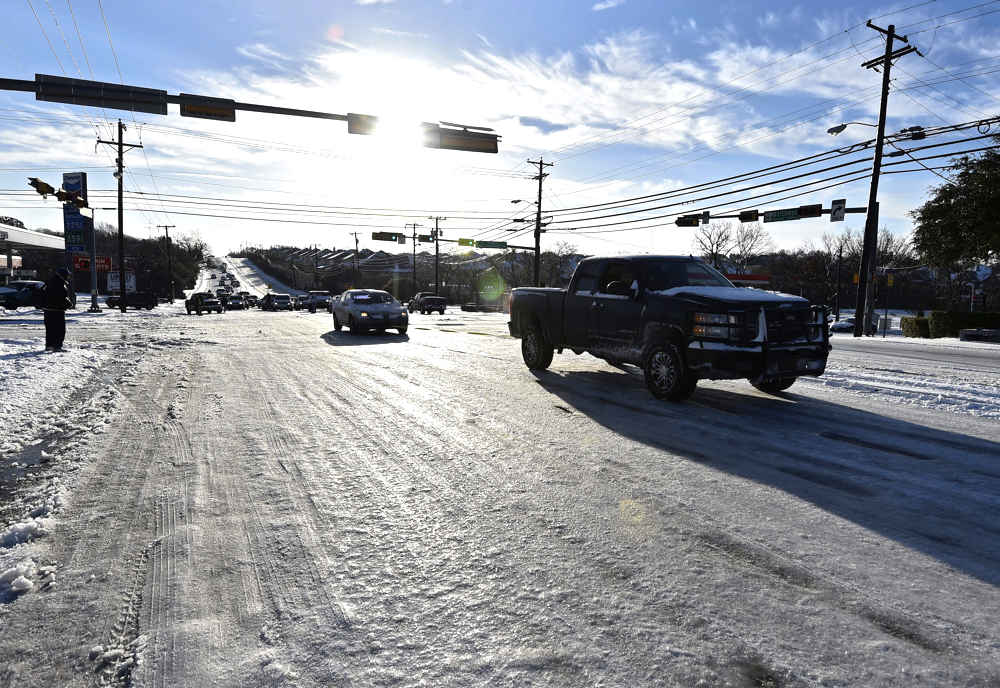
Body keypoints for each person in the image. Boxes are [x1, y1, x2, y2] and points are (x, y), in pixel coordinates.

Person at [42, 267, 73, 351]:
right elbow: (60, 297)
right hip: (56, 309)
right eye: (67, 275)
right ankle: (57, 346)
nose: (67, 277)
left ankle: (49, 345)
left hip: (47, 309)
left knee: (50, 328)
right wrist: (68, 304)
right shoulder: (59, 283)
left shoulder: (50, 281)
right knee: (59, 329)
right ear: (63, 275)